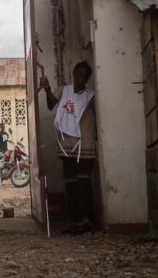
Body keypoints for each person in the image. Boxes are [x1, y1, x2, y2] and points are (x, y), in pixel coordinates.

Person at [40, 61, 96, 234]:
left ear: (88, 78)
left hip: (85, 144)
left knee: (84, 182)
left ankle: (87, 220)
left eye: (84, 75)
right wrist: (47, 90)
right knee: (71, 183)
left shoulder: (91, 95)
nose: (80, 77)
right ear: (73, 73)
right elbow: (50, 105)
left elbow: (100, 114)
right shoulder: (63, 91)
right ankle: (75, 219)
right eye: (78, 74)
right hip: (66, 145)